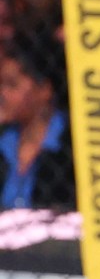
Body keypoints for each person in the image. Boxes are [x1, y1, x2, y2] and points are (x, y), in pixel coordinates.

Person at [0, 32, 73, 211]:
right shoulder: (4, 142)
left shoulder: (70, 144)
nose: (2, 94)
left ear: (44, 90)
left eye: (11, 84)